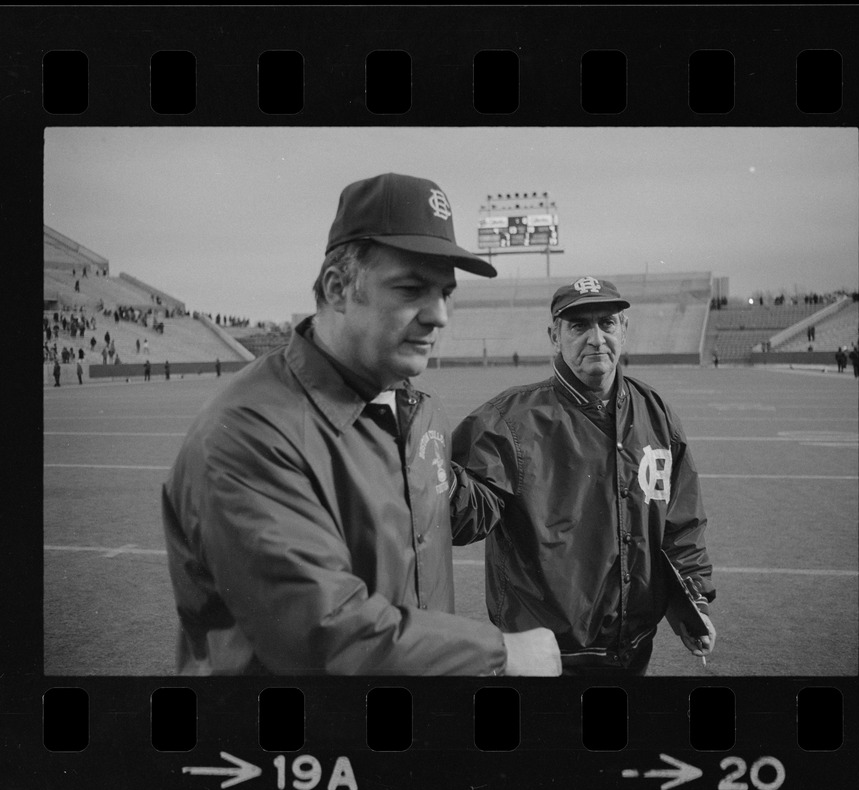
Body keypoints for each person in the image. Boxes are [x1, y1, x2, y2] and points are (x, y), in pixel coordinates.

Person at [161, 172, 561, 677]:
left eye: (446, 292)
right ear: (337, 288)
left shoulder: (418, 410)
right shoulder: (248, 433)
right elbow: (323, 633)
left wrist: (536, 468)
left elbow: (440, 518)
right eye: (412, 288)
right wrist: (500, 653)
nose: (440, 315)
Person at [452, 277, 716, 676]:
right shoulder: (508, 421)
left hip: (634, 650)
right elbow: (464, 518)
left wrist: (692, 600)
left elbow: (681, 523)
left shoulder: (655, 414)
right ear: (554, 336)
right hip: (543, 658)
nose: (596, 338)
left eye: (607, 323)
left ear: (623, 331)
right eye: (578, 326)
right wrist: (434, 476)